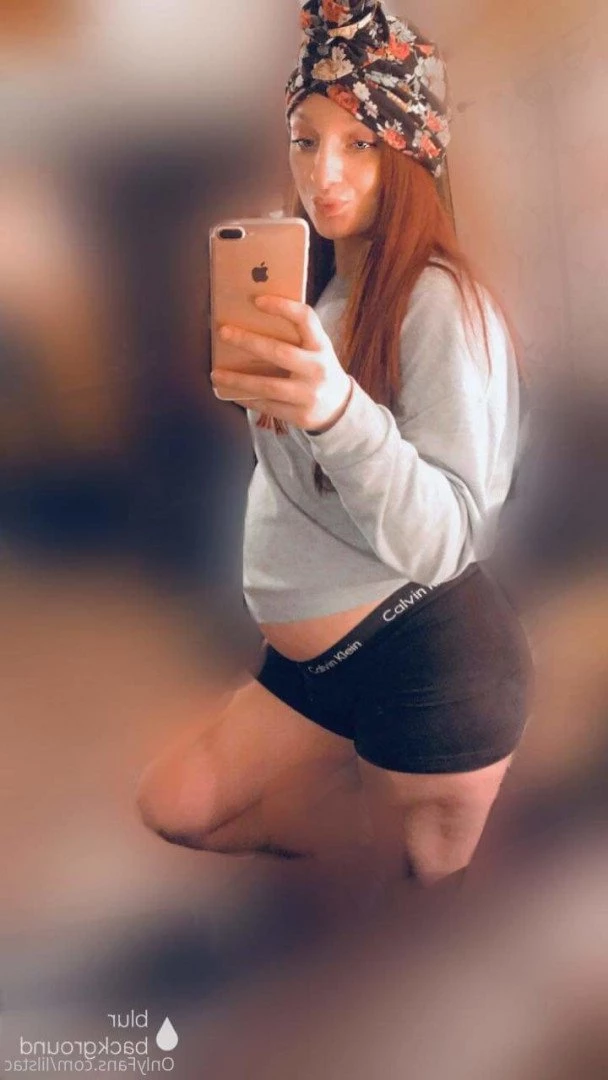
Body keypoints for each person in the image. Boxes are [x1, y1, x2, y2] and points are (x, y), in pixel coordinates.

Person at [137, 0, 533, 887]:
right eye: (305, 140)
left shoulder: (441, 303)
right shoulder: (322, 298)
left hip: (425, 656)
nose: (324, 172)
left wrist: (334, 411)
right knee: (173, 802)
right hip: (314, 670)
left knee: (400, 905)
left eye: (360, 143)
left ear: (412, 153)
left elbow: (447, 539)